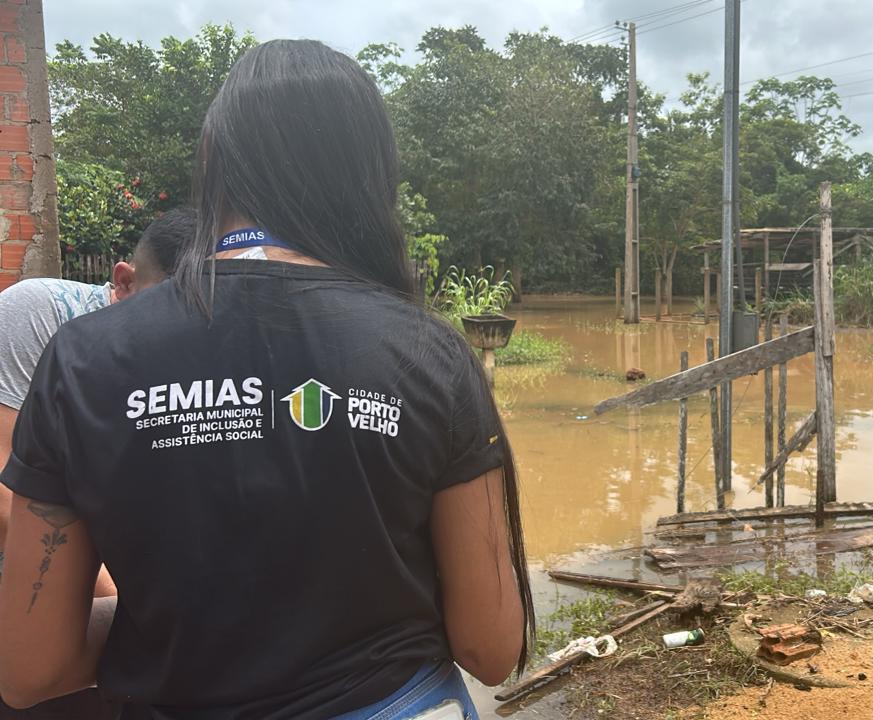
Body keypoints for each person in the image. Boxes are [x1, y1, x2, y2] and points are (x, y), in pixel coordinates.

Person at [0, 40, 532, 720]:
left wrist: (168, 629)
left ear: (213, 158)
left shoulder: (83, 360)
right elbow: (490, 646)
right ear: (370, 173)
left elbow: (28, 670)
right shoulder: (429, 354)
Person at [0, 207, 196, 719]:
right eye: (163, 308)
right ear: (124, 282)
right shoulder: (38, 314)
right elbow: (4, 488)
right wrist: (132, 608)